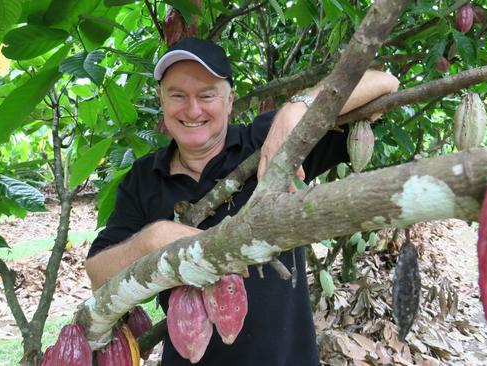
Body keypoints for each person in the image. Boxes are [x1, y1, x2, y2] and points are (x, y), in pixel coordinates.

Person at [86, 37, 399, 365]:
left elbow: (384, 82)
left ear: (229, 100)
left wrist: (300, 107)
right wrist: (152, 240)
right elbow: (98, 276)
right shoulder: (144, 179)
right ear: (162, 101)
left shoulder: (267, 141)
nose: (192, 110)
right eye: (177, 95)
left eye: (206, 95)